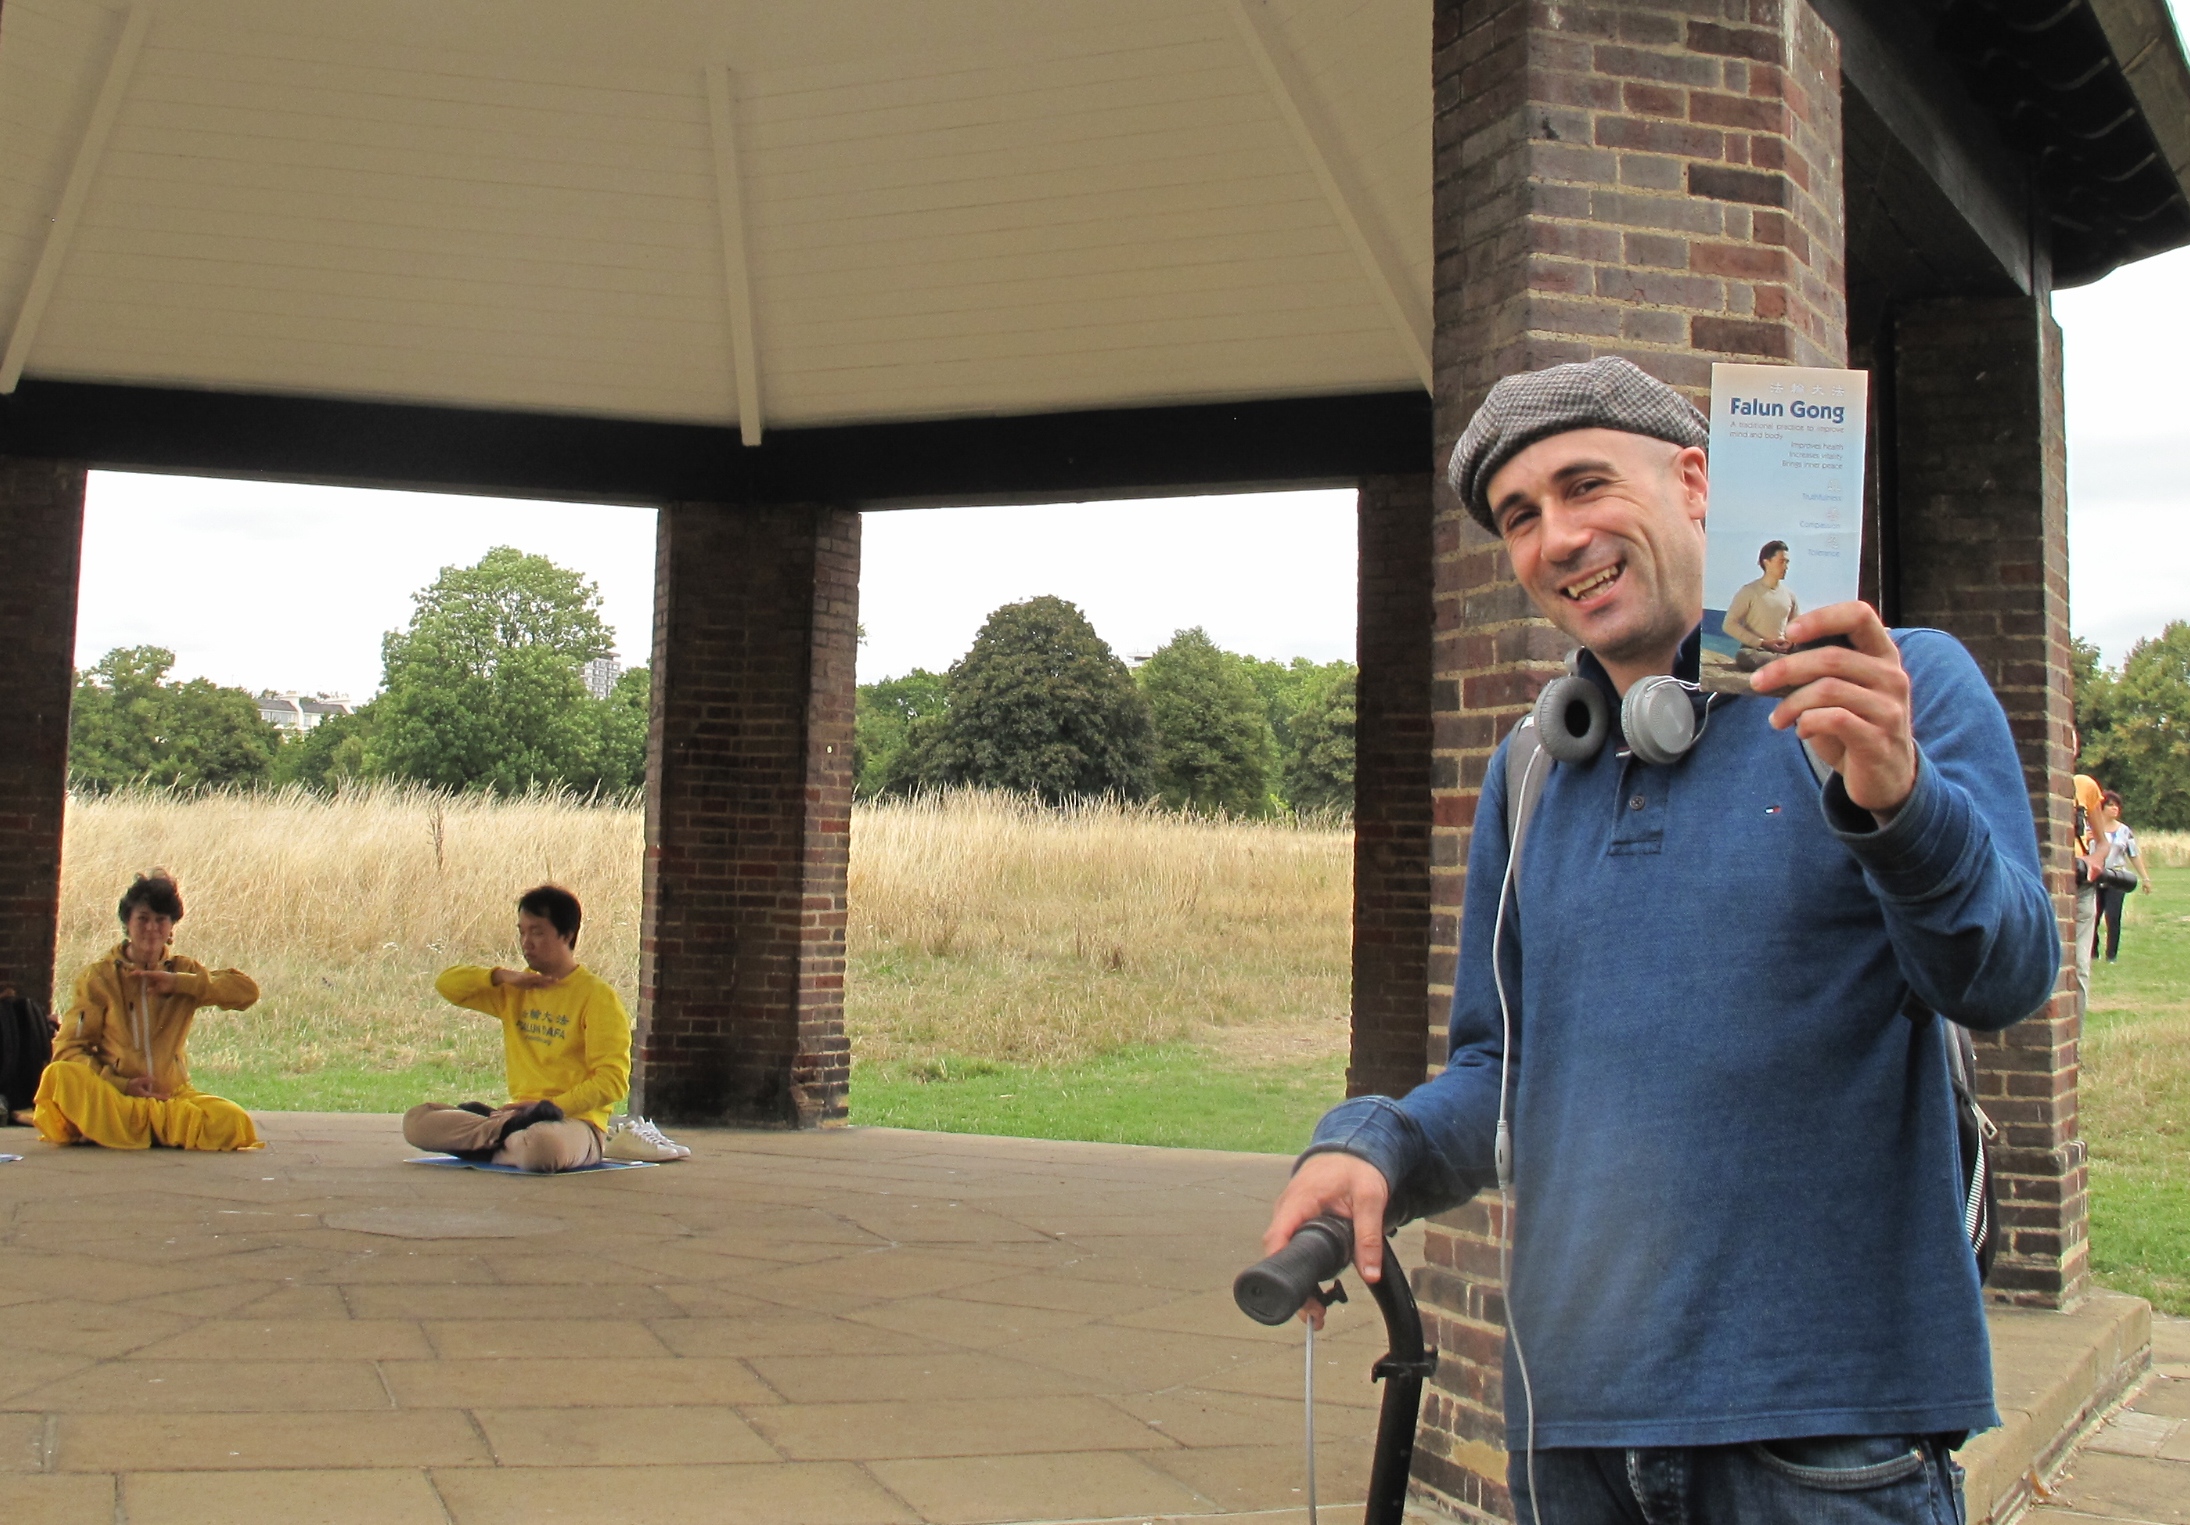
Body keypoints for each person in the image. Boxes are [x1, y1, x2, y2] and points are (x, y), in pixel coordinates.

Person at [1264, 358, 2058, 1523]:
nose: (1557, 537)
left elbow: (2003, 975)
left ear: (1696, 482)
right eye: (1520, 516)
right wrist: (1377, 1147)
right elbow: (1502, 1075)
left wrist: (1900, 799)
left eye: (1585, 485)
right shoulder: (1532, 771)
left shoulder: (1898, 687)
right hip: (1575, 1439)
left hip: (1824, 1440)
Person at [403, 883, 686, 1170]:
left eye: (537, 932)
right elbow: (447, 985)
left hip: (574, 1123)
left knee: (541, 1148)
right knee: (416, 1122)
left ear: (567, 934)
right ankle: (505, 1137)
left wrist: (549, 1108)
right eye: (522, 932)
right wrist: (502, 976)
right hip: (516, 1119)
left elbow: (612, 1081)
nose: (527, 942)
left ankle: (489, 1140)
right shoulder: (516, 989)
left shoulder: (597, 997)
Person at [34, 872, 262, 1151]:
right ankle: (140, 1127)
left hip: (169, 1097)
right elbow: (68, 1049)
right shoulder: (99, 978)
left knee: (233, 1121)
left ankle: (124, 1128)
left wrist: (179, 984)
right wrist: (120, 1083)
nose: (151, 928)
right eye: (142, 919)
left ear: (171, 927)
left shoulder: (185, 971)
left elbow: (247, 992)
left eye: (160, 920)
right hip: (118, 1095)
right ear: (127, 924)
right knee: (59, 1075)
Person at [1720, 538, 1799, 670]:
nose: (1786, 567)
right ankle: (1787, 664)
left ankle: (1786, 662)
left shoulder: (1789, 596)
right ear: (1766, 562)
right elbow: (1729, 625)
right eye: (1781, 561)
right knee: (1745, 656)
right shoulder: (1749, 591)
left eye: (1787, 562)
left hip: (1782, 651)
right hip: (1756, 651)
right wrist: (1763, 643)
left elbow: (1796, 627)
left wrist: (1790, 643)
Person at [2093, 790, 2152, 963]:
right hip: (2095, 876)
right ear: (2101, 808)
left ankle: (2111, 955)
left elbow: (2134, 855)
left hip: (2117, 877)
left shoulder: (2124, 831)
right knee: (2093, 916)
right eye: (2110, 805)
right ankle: (2092, 953)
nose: (2115, 809)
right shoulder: (2091, 827)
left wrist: (2145, 878)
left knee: (2113, 916)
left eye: (2117, 806)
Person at [2073, 764, 2105, 1014]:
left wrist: (2093, 860)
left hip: (2081, 885)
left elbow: (2103, 843)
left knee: (2079, 966)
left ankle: (2076, 1034)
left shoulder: (2085, 785)